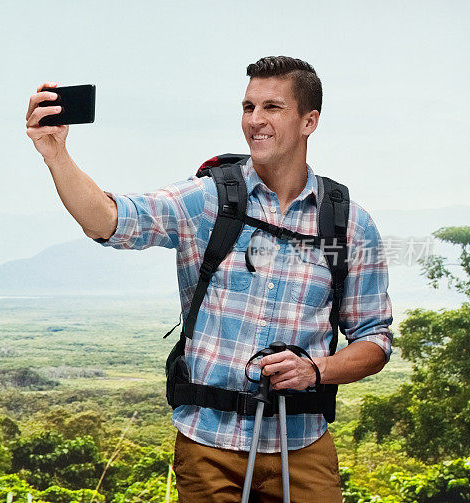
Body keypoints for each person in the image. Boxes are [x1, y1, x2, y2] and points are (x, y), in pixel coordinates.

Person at [25, 56, 392, 502]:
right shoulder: (209, 200)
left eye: (272, 107)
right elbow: (110, 220)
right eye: (247, 107)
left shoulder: (347, 224)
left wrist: (315, 370)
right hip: (207, 444)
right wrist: (56, 155)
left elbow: (374, 341)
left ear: (308, 121)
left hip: (302, 445)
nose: (254, 121)